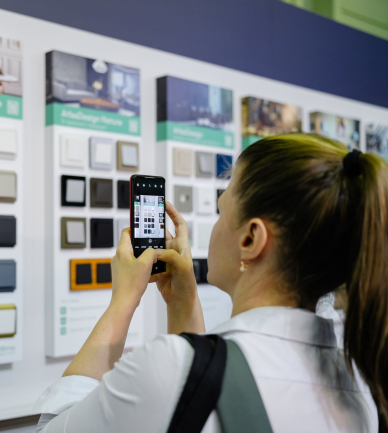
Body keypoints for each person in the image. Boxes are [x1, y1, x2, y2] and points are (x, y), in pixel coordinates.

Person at [34, 134, 387, 432]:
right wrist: (182, 304)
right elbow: (191, 404)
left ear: (251, 239)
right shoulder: (358, 378)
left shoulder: (169, 366)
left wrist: (123, 301)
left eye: (221, 211)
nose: (214, 227)